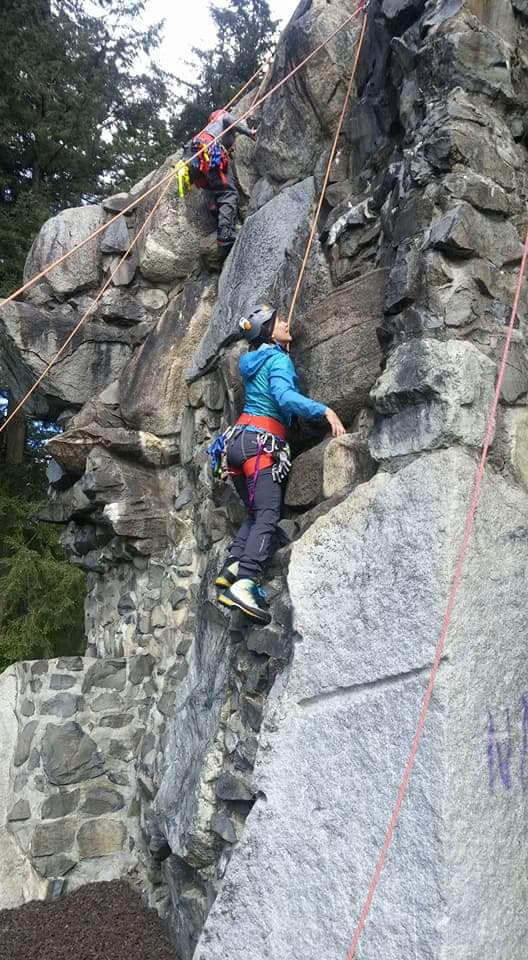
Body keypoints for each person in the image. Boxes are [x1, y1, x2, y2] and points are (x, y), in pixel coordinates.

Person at [211, 304, 346, 625]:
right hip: (261, 444)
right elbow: (284, 398)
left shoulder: (252, 362)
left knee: (257, 512)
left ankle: (232, 566)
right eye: (279, 321)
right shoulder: (278, 360)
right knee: (269, 514)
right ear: (269, 331)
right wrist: (325, 410)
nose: (286, 323)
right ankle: (245, 582)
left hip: (236, 444)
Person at [187, 109, 257, 252]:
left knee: (215, 187)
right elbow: (228, 120)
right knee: (228, 193)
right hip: (209, 152)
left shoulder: (208, 129)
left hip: (194, 157)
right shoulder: (222, 116)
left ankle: (215, 206)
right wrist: (250, 132)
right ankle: (224, 234)